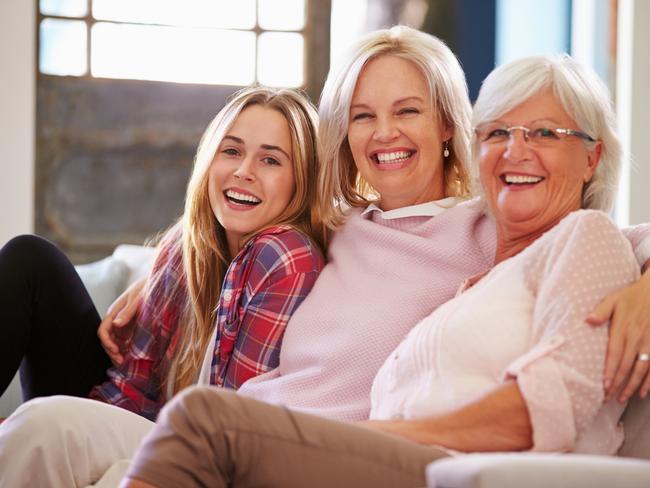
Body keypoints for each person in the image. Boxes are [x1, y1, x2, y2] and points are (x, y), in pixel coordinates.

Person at [2, 26, 650, 487]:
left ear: (448, 124)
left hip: (310, 451)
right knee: (42, 426)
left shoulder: (492, 225)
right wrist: (155, 267)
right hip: (232, 424)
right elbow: (243, 203)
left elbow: (595, 239)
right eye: (364, 116)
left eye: (408, 111)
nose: (385, 133)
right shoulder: (337, 224)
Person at [0, 86, 325, 483]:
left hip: (189, 439)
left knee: (43, 422)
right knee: (31, 258)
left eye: (271, 159)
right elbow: (133, 381)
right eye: (232, 151)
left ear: (302, 180)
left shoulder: (285, 256)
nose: (244, 171)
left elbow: (232, 421)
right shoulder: (188, 243)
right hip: (140, 412)